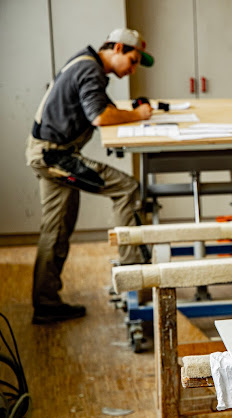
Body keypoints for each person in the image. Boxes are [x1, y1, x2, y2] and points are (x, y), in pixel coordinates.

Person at [26, 29, 155, 325]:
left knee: (56, 228)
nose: (133, 69)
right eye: (133, 61)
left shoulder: (86, 63)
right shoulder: (90, 68)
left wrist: (129, 112)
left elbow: (102, 108)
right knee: (127, 188)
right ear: (119, 48)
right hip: (54, 156)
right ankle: (133, 273)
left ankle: (46, 303)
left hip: (47, 151)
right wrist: (139, 116)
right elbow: (99, 115)